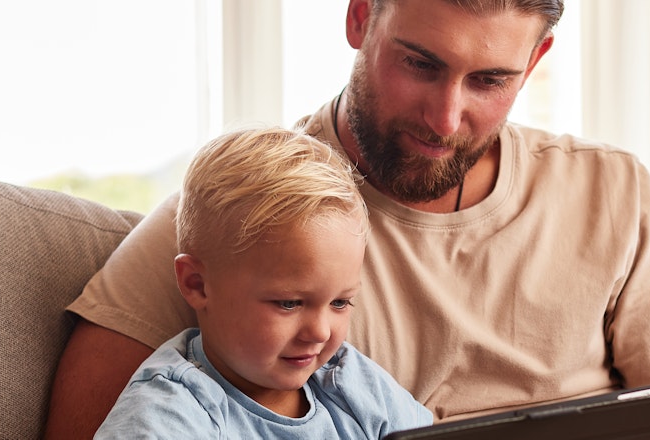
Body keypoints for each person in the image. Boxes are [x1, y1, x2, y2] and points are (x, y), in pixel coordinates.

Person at [48, 0, 650, 438]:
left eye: (490, 80)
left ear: (535, 63)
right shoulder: (245, 212)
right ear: (361, 16)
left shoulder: (609, 192)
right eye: (420, 63)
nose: (445, 117)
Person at [94, 127, 432, 439]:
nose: (321, 332)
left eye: (340, 303)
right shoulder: (171, 412)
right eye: (289, 303)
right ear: (197, 284)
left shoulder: (346, 378)